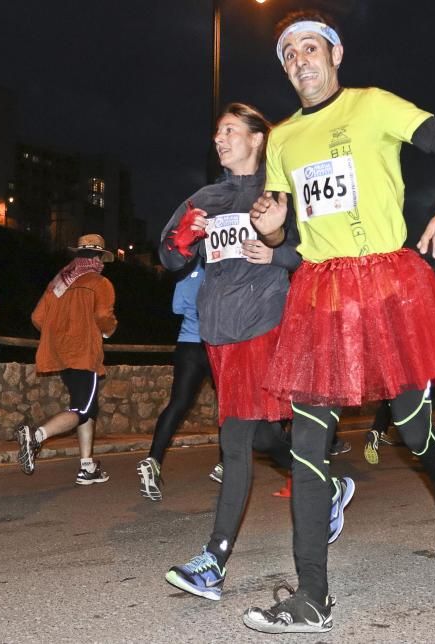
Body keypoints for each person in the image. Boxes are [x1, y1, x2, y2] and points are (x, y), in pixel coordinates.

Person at [246, 11, 435, 633]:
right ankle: (312, 596)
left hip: (390, 290)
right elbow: (290, 231)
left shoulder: (373, 106)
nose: (299, 59)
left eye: (310, 47)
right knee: (308, 441)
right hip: (322, 297)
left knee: (411, 425)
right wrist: (271, 233)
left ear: (336, 54)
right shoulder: (284, 140)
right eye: (288, 53)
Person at [157, 103, 354, 603]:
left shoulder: (279, 190)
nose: (219, 139)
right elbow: (168, 255)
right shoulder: (205, 197)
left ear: (256, 139)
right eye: (216, 131)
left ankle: (214, 562)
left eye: (229, 131)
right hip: (218, 330)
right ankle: (327, 486)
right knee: (262, 430)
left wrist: (277, 253)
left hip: (267, 322)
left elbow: (318, 246)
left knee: (236, 438)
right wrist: (181, 242)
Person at [15, 234, 117, 484]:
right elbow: (104, 316)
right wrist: (108, 329)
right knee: (83, 409)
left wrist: (59, 334)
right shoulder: (100, 282)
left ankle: (87, 466)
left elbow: (38, 318)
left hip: (61, 354)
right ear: (99, 257)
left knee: (85, 408)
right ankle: (36, 436)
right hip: (84, 352)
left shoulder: (58, 283)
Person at [136, 263, 212, 500]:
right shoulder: (223, 267)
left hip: (187, 343)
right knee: (229, 404)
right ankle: (224, 464)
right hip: (216, 344)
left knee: (177, 404)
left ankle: (154, 459)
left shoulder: (186, 271)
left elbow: (177, 308)